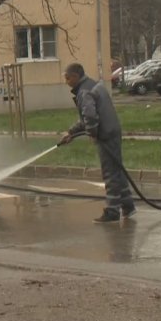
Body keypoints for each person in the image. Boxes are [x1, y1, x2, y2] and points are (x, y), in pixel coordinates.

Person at [60, 63, 136, 223]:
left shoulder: (84, 91)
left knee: (110, 173)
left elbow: (90, 117)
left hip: (106, 134)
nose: (66, 81)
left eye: (67, 78)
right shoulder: (93, 85)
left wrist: (92, 133)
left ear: (75, 76)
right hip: (112, 131)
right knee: (116, 169)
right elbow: (86, 118)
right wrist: (71, 133)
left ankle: (112, 211)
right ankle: (128, 205)